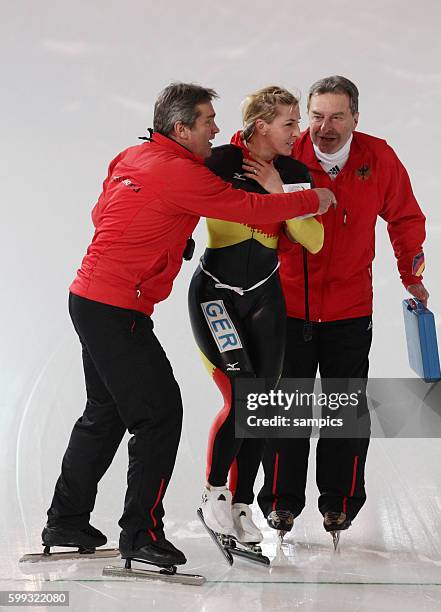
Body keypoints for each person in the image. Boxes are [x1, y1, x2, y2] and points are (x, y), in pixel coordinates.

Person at [42, 82, 336, 568]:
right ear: (181, 129)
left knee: (105, 413)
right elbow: (248, 208)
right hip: (116, 307)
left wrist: (163, 241)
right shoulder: (183, 172)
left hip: (92, 297)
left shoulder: (131, 157)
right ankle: (141, 534)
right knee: (158, 416)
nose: (216, 129)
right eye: (206, 122)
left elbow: (102, 214)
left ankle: (67, 519)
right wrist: (313, 199)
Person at [258, 75, 428, 537]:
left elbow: (406, 217)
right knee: (286, 407)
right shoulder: (289, 154)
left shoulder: (379, 157)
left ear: (356, 117)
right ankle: (279, 502)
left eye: (336, 116)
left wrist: (412, 274)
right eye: (315, 116)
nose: (324, 127)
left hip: (350, 309)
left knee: (344, 408)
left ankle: (340, 500)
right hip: (289, 304)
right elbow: (246, 157)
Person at [188, 86, 331, 546]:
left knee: (264, 406)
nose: (299, 132)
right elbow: (181, 204)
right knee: (242, 396)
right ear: (262, 126)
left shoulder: (291, 171)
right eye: (291, 123)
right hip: (217, 295)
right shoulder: (223, 161)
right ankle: (214, 493)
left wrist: (277, 192)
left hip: (266, 296)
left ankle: (242, 503)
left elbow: (314, 240)